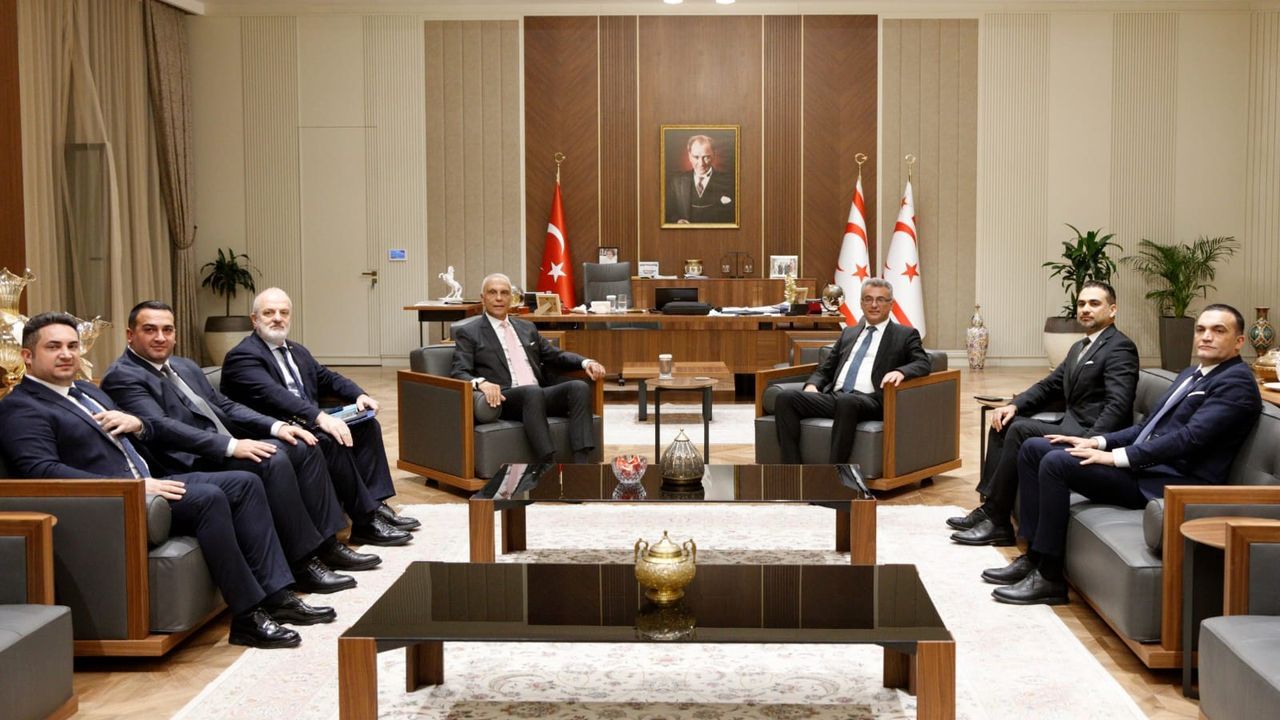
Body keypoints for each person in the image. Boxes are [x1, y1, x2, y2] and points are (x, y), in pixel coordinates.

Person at [0, 312, 334, 648]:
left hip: (151, 481)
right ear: (27, 355)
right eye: (54, 347)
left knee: (244, 483)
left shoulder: (87, 391)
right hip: (114, 502)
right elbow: (42, 471)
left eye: (72, 346)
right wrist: (132, 488)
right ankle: (247, 616)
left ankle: (277, 596)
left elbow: (144, 426)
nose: (66, 354)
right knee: (209, 499)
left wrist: (138, 425)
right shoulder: (21, 407)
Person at [987, 304, 1263, 605]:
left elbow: (1188, 439)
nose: (1206, 336)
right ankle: (1034, 556)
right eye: (1201, 329)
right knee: (1034, 447)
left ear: (1239, 341)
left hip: (1170, 484)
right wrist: (1097, 442)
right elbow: (1147, 427)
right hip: (1146, 469)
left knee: (1056, 462)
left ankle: (1049, 577)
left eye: (1218, 330)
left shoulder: (1236, 383)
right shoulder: (1191, 374)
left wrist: (1118, 457)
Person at [101, 301, 382, 595]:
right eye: (150, 330)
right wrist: (231, 445)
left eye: (167, 330)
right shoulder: (123, 376)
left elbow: (225, 406)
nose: (160, 337)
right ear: (130, 335)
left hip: (223, 445)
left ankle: (328, 546)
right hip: (188, 461)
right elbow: (163, 428)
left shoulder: (184, 366)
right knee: (272, 460)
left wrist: (277, 427)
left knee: (302, 444)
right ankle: (302, 565)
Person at [220, 287, 417, 546]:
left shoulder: (296, 350)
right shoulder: (243, 356)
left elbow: (327, 378)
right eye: (269, 313)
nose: (277, 318)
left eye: (283, 313)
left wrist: (359, 395)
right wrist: (319, 417)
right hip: (274, 428)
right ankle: (365, 521)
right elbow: (275, 396)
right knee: (329, 438)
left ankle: (376, 505)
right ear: (254, 319)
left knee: (366, 424)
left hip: (306, 420)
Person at [949, 281, 1139, 546]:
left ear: (1112, 309)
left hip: (1087, 435)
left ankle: (997, 519)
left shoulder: (1120, 347)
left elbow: (1118, 405)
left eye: (1094, 304)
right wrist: (1014, 405)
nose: (1085, 309)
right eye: (1081, 304)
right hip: (1071, 425)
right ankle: (991, 510)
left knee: (1019, 429)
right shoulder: (1080, 347)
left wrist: (1092, 441)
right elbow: (1050, 386)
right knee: (1005, 420)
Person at [774, 278, 933, 464]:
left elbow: (923, 363)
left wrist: (901, 372)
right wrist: (812, 385)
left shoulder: (905, 334)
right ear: (861, 303)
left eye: (880, 300)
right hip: (836, 397)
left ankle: (835, 473)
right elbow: (826, 368)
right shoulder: (849, 333)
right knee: (785, 398)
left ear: (891, 304)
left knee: (847, 401)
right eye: (868, 299)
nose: (874, 305)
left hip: (871, 401)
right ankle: (793, 470)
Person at [450, 272, 606, 463]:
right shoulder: (469, 332)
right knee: (532, 392)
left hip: (537, 394)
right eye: (492, 292)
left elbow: (554, 355)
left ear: (511, 298)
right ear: (483, 298)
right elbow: (459, 372)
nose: (499, 298)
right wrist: (481, 383)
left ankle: (582, 465)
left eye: (504, 293)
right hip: (505, 399)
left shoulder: (527, 328)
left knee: (578, 387)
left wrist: (586, 362)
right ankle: (548, 464)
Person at [665, 134, 735, 225]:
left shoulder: (730, 182)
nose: (701, 164)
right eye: (696, 157)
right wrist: (677, 221)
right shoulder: (677, 182)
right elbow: (667, 213)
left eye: (706, 157)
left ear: (714, 155)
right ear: (689, 156)